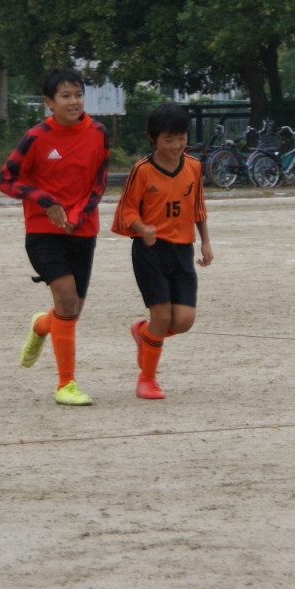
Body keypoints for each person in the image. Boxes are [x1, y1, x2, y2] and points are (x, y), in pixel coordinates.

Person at [0, 68, 110, 406]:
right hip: (43, 233)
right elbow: (6, 180)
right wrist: (44, 200)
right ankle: (66, 384)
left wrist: (77, 217)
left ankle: (41, 326)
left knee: (71, 310)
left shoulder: (99, 133)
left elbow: (99, 185)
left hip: (83, 231)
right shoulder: (36, 137)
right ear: (49, 102)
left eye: (78, 94)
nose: (73, 101)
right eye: (65, 96)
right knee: (65, 298)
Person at [111, 103, 213, 399]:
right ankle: (147, 379)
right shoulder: (142, 170)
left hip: (182, 251)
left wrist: (205, 241)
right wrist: (142, 228)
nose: (176, 145)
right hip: (150, 251)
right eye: (168, 139)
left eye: (181, 137)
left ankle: (144, 333)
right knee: (162, 316)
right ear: (152, 138)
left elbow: (198, 207)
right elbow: (127, 210)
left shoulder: (193, 166)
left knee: (183, 321)